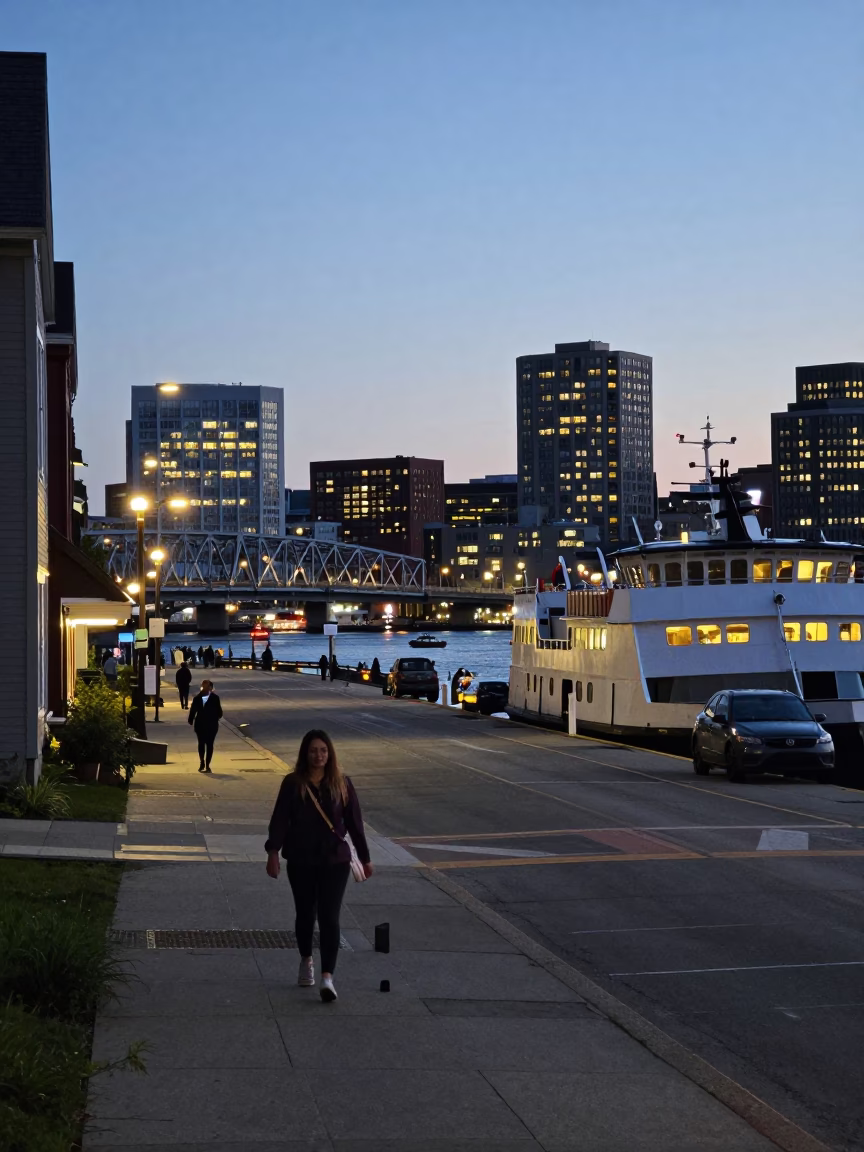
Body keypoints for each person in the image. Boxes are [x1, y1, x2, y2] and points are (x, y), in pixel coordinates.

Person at [265, 730, 372, 1003]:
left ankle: (327, 977)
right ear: (305, 753)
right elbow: (280, 820)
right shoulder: (293, 784)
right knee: (305, 915)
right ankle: (306, 959)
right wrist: (273, 852)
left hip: (335, 860)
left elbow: (355, 824)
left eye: (323, 750)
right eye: (313, 750)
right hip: (301, 859)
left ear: (330, 753)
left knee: (329, 917)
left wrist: (365, 857)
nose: (318, 755)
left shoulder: (341, 784)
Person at [188, 679, 223, 773]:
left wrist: (191, 720)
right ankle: (204, 763)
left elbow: (219, 712)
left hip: (207, 724)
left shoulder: (210, 698)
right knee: (205, 744)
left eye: (205, 686)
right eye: (203, 686)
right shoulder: (200, 698)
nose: (204, 688)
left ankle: (205, 763)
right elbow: (220, 712)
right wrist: (191, 719)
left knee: (206, 744)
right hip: (205, 724)